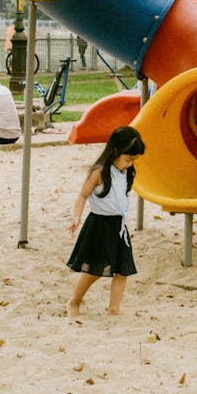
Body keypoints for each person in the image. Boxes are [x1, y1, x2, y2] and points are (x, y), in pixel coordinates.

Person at [65, 126, 146, 317]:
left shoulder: (125, 172)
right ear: (116, 151)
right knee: (94, 270)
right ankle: (74, 302)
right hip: (99, 225)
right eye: (128, 159)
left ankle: (114, 308)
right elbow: (83, 195)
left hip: (118, 226)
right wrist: (76, 217)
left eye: (133, 160)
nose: (129, 164)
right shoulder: (99, 172)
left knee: (123, 270)